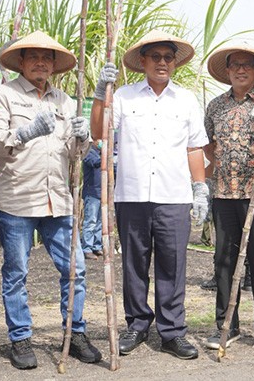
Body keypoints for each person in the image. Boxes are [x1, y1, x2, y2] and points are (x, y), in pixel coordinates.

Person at [0, 30, 100, 369]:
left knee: (75, 269)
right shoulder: (3, 95)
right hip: (17, 199)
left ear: (53, 64)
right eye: (33, 56)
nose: (40, 62)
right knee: (16, 272)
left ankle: (74, 332)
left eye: (47, 57)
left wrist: (83, 140)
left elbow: (74, 155)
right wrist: (25, 132)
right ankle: (20, 338)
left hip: (58, 201)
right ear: (21, 61)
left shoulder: (64, 101)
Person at [91, 30, 208, 360]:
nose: (161, 63)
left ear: (175, 63)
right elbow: (99, 131)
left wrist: (200, 189)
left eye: (167, 57)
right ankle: (137, 324)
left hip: (174, 194)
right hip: (132, 194)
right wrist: (101, 94)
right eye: (154, 57)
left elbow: (194, 147)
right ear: (142, 61)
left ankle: (172, 331)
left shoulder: (185, 99)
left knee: (173, 264)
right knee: (134, 263)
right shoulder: (124, 96)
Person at [200, 42, 254, 354]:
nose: (240, 70)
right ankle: (227, 324)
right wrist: (211, 176)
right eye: (234, 65)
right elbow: (207, 145)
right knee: (223, 262)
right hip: (223, 194)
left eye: (246, 65)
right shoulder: (215, 106)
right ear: (227, 72)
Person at [81, 145, 103, 259]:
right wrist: (107, 156)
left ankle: (97, 246)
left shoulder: (101, 153)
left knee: (100, 222)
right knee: (91, 221)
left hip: (103, 193)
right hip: (92, 193)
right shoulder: (89, 152)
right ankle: (87, 248)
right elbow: (95, 162)